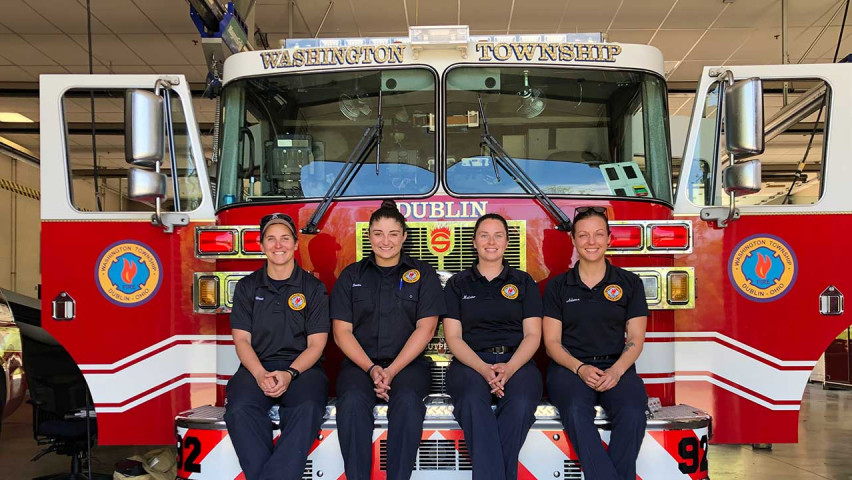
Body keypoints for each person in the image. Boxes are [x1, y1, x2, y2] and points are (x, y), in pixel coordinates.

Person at [330, 200, 446, 480]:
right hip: (360, 365)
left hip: (408, 366)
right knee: (352, 402)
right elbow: (341, 332)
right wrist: (371, 369)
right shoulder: (351, 276)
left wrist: (391, 371)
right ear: (369, 236)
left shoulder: (424, 274)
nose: (385, 241)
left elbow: (427, 328)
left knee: (407, 402)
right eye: (378, 234)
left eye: (393, 234)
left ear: (404, 236)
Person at [543, 206, 649, 480]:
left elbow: (636, 339)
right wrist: (580, 369)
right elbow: (552, 343)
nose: (591, 242)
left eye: (599, 234)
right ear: (573, 240)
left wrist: (616, 371)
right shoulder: (557, 287)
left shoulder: (630, 283)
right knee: (575, 411)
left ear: (609, 239)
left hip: (617, 366)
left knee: (633, 412)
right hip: (569, 369)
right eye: (583, 235)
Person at [224, 213, 330, 480]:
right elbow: (242, 340)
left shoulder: (313, 288)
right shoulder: (247, 287)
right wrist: (260, 374)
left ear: (295, 244)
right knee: (239, 410)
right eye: (271, 239)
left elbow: (316, 345)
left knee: (307, 408)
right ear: (261, 246)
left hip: (302, 370)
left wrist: (290, 373)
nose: (278, 245)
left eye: (285, 238)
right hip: (256, 368)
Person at [443, 213, 543, 480]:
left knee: (520, 403)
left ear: (507, 243)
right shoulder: (456, 284)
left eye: (498, 236)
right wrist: (484, 369)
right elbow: (454, 338)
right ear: (474, 242)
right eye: (484, 235)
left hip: (517, 362)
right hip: (470, 363)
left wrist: (509, 368)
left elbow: (533, 335)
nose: (491, 242)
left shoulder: (524, 282)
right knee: (472, 402)